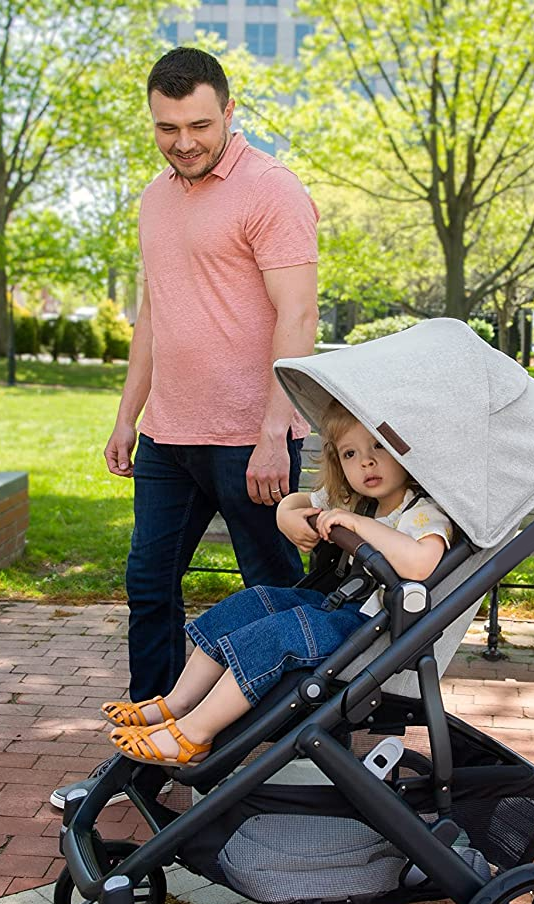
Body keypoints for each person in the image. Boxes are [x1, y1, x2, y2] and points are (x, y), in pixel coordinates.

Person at [109, 46, 321, 706]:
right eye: (167, 127)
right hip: (168, 437)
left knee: (275, 592)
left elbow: (298, 314)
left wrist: (273, 432)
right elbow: (154, 314)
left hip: (249, 439)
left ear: (229, 112)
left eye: (199, 125)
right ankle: (152, 730)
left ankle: (294, 737)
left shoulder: (271, 189)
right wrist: (126, 416)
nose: (184, 142)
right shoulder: (154, 199)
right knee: (149, 586)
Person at [103, 402, 453, 765]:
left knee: (276, 635)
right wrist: (287, 516)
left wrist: (358, 526)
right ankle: (178, 703)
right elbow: (299, 501)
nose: (366, 462)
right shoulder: (356, 500)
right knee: (251, 603)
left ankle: (195, 735)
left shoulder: (422, 511)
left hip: (372, 629)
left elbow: (420, 563)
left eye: (378, 446)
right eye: (350, 453)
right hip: (338, 606)